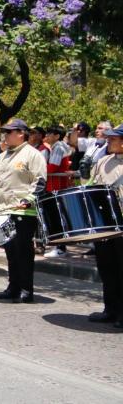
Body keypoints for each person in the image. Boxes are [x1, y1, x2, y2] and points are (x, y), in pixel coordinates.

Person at [0, 119, 47, 303]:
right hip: (4, 210)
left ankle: (26, 289)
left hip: (23, 212)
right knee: (10, 251)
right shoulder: (2, 156)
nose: (6, 135)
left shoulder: (33, 155)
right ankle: (13, 286)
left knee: (23, 252)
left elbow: (40, 182)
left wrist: (27, 201)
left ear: (21, 133)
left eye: (10, 132)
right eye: (5, 132)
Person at [86, 123, 123, 329]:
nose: (108, 141)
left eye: (113, 139)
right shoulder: (103, 161)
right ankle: (110, 309)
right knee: (106, 267)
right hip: (105, 224)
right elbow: (93, 185)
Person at [43, 125, 72, 258]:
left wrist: (38, 169)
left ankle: (60, 247)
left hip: (57, 187)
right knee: (57, 217)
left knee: (57, 218)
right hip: (56, 186)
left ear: (57, 136)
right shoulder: (58, 147)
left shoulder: (58, 148)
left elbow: (53, 168)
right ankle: (59, 246)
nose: (47, 135)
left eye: (50, 133)